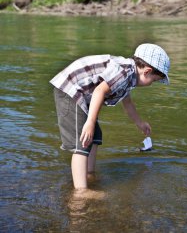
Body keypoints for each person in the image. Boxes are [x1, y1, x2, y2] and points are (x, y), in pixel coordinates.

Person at [50, 43, 170, 190]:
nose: (152, 84)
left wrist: (139, 122)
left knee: (94, 135)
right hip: (70, 89)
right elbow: (99, 91)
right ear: (147, 71)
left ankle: (89, 174)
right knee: (82, 142)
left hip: (83, 95)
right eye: (155, 80)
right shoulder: (124, 73)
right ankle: (81, 192)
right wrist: (90, 122)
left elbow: (128, 103)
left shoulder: (130, 76)